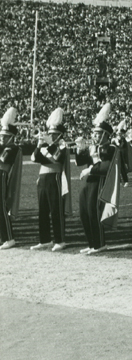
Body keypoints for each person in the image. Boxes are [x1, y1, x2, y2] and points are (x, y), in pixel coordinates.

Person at [75, 103, 122, 254]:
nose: (94, 136)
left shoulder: (111, 148)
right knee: (84, 213)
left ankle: (100, 243)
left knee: (93, 212)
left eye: (97, 133)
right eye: (94, 133)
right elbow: (79, 162)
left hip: (99, 183)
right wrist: (80, 149)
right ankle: (91, 243)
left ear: (105, 135)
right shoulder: (93, 147)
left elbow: (106, 167)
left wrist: (90, 169)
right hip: (87, 183)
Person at [30, 107, 72, 251]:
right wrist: (39, 144)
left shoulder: (62, 145)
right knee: (42, 211)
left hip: (55, 178)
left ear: (60, 135)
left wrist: (50, 144)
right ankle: (45, 239)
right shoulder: (48, 145)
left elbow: (58, 158)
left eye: (54, 134)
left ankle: (60, 240)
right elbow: (35, 158)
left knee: (56, 210)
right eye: (50, 134)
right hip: (42, 178)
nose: (51, 136)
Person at [0, 107, 22, 250]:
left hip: (2, 176)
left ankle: (9, 237)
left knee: (1, 207)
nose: (1, 138)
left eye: (4, 136)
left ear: (10, 137)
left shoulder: (12, 148)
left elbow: (3, 160)